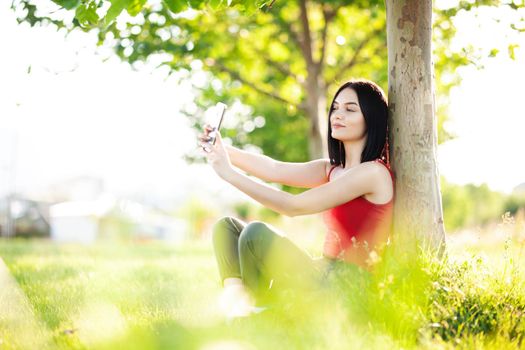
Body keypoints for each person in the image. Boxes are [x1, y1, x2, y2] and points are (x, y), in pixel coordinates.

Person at [198, 78, 395, 319]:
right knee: (226, 228)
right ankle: (238, 309)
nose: (337, 115)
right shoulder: (332, 170)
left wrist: (228, 174)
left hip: (347, 286)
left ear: (371, 119)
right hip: (321, 271)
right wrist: (222, 150)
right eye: (335, 108)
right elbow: (274, 168)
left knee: (255, 234)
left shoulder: (373, 173)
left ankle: (257, 314)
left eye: (350, 109)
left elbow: (292, 206)